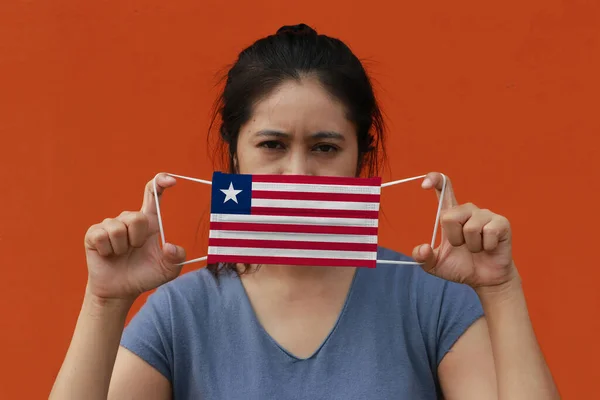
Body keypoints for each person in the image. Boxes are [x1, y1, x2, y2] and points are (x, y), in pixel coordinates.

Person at [50, 24, 559, 400]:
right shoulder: (180, 313)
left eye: (324, 147)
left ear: (362, 153)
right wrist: (103, 303)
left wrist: (500, 288)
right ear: (234, 154)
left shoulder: (431, 302)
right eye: (271, 144)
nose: (296, 174)